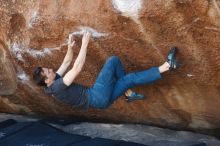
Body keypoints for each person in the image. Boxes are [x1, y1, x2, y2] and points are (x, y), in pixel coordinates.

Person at [33, 32, 179, 110]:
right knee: (112, 61)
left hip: (101, 103)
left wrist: (70, 47)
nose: (51, 69)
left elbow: (66, 62)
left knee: (126, 77)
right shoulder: (57, 87)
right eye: (48, 72)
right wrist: (84, 44)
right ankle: (166, 65)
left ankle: (129, 93)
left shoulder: (52, 84)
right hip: (95, 95)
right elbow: (76, 68)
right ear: (47, 80)